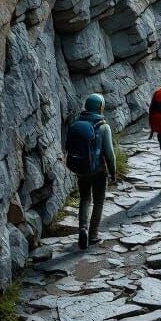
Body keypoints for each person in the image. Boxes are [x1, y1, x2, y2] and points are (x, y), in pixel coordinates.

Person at [64, 93, 116, 250]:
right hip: (98, 170)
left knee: (85, 199)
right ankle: (93, 235)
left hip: (81, 169)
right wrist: (113, 173)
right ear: (100, 107)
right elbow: (110, 154)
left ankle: (82, 229)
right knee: (98, 201)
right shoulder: (103, 126)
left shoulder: (77, 123)